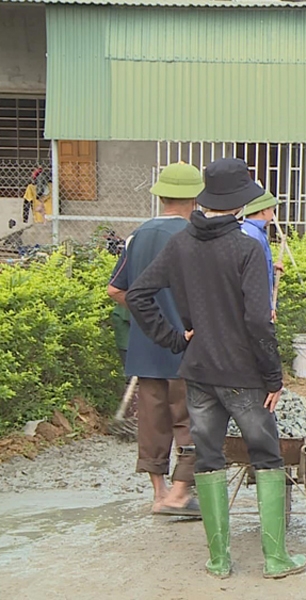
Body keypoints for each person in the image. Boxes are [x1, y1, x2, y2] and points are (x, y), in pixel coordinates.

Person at [127, 157, 305, 579]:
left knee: (209, 458)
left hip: (200, 371)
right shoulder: (245, 247)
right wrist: (273, 375)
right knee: (266, 458)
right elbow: (259, 321)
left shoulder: (181, 244)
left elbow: (138, 295)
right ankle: (276, 558)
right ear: (242, 202)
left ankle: (219, 559)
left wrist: (175, 340)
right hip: (244, 375)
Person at [106, 161, 202, 516]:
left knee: (152, 422)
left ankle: (160, 494)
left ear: (160, 196)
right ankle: (180, 494)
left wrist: (147, 317)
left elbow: (116, 289)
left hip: (146, 349)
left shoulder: (139, 234)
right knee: (190, 420)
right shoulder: (192, 237)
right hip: (186, 347)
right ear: (195, 200)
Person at [240, 189, 283, 321]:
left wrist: (272, 268)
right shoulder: (254, 235)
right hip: (255, 308)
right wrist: (266, 308)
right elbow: (255, 275)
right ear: (264, 211)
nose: (273, 214)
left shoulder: (253, 231)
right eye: (272, 210)